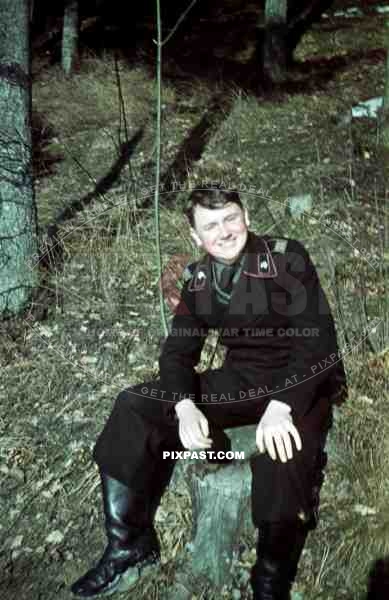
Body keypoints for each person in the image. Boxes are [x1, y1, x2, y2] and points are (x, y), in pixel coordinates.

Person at [70, 185, 348, 599]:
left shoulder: (287, 258)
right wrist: (183, 406)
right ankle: (129, 547)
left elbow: (319, 342)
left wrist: (283, 405)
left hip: (301, 380)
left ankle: (269, 581)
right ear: (196, 237)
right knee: (135, 406)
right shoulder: (202, 279)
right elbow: (177, 354)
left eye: (230, 218)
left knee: (282, 454)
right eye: (210, 225)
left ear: (246, 217)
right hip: (243, 380)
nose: (224, 231)